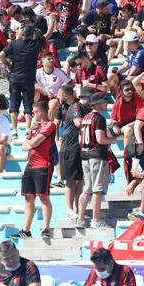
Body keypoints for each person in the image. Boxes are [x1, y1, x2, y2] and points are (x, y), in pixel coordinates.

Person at [11, 101, 55, 239]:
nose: (32, 115)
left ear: (40, 112)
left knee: (44, 197)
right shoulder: (35, 126)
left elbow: (34, 142)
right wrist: (30, 144)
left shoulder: (50, 125)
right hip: (30, 165)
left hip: (43, 165)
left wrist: (31, 144)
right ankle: (26, 230)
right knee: (28, 198)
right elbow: (25, 145)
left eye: (34, 112)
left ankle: (46, 228)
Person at [78, 93, 118, 229]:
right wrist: (112, 140)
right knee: (97, 190)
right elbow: (100, 139)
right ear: (96, 104)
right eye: (103, 101)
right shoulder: (99, 118)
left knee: (86, 190)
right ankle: (96, 220)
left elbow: (80, 139)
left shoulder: (85, 118)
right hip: (97, 156)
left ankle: (80, 219)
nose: (106, 104)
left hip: (85, 156)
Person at [0, 25, 46, 138]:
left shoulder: (14, 43)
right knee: (28, 106)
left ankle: (14, 131)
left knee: (14, 106)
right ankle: (27, 129)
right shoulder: (35, 45)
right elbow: (47, 36)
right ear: (31, 35)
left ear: (22, 34)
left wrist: (7, 65)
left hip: (15, 77)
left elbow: (1, 55)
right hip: (28, 79)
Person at [54, 85, 87, 220]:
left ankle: (77, 210)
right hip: (69, 148)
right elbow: (78, 123)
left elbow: (78, 122)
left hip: (76, 148)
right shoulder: (68, 107)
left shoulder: (76, 106)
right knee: (70, 181)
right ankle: (70, 210)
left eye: (59, 95)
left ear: (66, 95)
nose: (58, 97)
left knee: (78, 180)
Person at [35, 52, 71, 118]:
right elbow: (33, 85)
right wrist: (46, 91)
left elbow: (71, 83)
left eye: (52, 58)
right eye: (49, 59)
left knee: (53, 103)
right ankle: (28, 112)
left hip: (54, 97)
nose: (51, 60)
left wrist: (61, 93)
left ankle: (51, 124)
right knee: (32, 92)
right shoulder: (37, 72)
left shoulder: (59, 71)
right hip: (41, 96)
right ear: (42, 62)